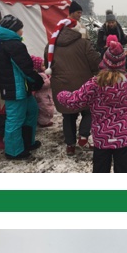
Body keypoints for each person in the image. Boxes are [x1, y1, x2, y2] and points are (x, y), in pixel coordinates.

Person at [57, 36, 127, 172]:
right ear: (123, 63)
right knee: (123, 169)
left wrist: (61, 94)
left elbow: (73, 101)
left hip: (102, 138)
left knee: (100, 170)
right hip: (124, 137)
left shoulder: (94, 84)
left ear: (105, 62)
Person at [44, 17, 100, 156]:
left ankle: (70, 145)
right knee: (89, 111)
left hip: (61, 86)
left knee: (68, 116)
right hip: (84, 85)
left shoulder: (50, 46)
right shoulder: (84, 44)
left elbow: (48, 64)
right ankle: (83, 136)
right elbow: (95, 62)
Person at [0, 15, 44, 159]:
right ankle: (13, 151)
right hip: (15, 90)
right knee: (14, 119)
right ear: (14, 29)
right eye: (20, 27)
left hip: (21, 88)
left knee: (32, 111)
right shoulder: (14, 45)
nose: (22, 30)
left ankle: (27, 141)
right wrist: (37, 80)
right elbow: (26, 68)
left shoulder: (8, 42)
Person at [30, 55, 54, 127]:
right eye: (43, 65)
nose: (45, 67)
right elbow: (44, 84)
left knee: (48, 108)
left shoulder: (44, 74)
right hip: (42, 96)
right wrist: (51, 80)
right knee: (44, 109)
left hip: (46, 95)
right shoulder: (40, 75)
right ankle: (43, 122)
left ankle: (46, 120)